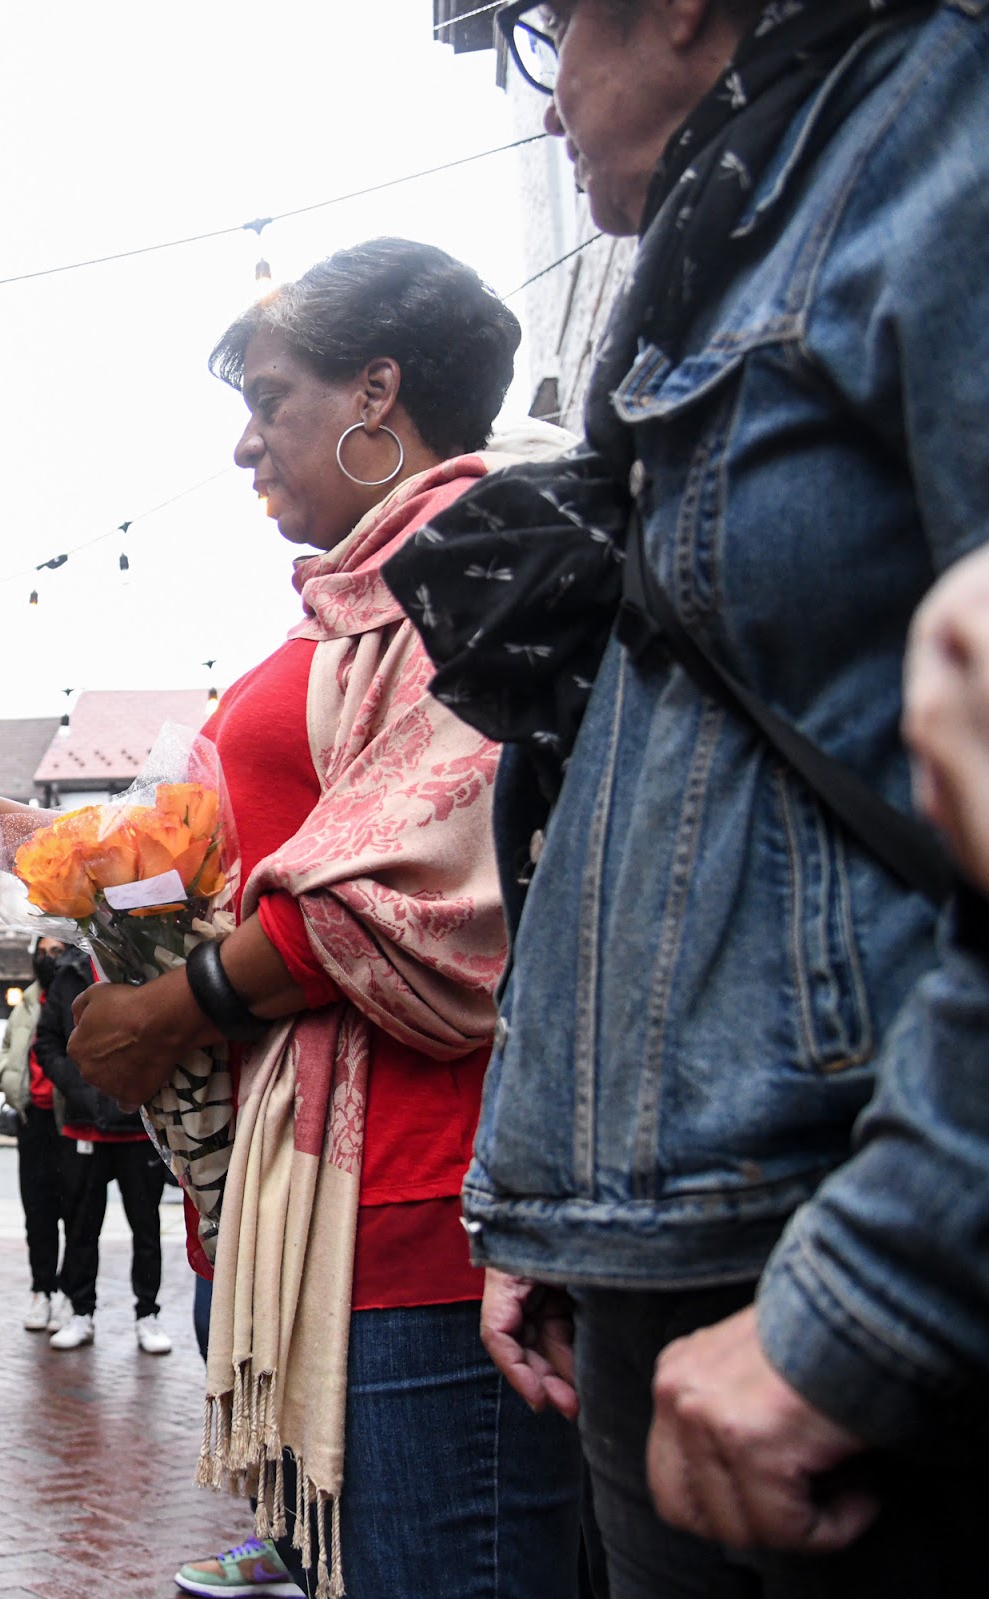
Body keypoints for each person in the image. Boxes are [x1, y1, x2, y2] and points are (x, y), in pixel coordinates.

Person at [0, 238, 583, 1599]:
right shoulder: (354, 599)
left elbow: (402, 883)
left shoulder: (469, 569)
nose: (244, 444)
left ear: (377, 392)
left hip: (422, 1198)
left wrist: (165, 1008)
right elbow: (172, 851)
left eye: (268, 396)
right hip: (318, 1210)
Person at [395, 4, 989, 1595]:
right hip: (672, 1249)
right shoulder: (728, 233)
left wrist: (872, 1295)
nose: (543, 110)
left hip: (828, 1258)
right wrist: (548, 1187)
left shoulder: (935, 128)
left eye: (545, 40)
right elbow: (656, 789)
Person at [32, 939, 173, 1355]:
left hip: (137, 1127)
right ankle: (81, 1311)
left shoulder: (142, 959)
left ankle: (148, 1314)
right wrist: (81, 1089)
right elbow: (47, 1042)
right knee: (80, 1227)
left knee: (146, 1228)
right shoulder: (69, 974)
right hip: (84, 1128)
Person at [0, 941, 77, 1333]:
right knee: (37, 1212)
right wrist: (4, 1079)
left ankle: (68, 1295)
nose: (48, 956)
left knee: (75, 1213)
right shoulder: (25, 1002)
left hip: (69, 1121)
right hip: (32, 1121)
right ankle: (41, 1290)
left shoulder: (76, 996)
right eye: (42, 950)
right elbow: (8, 1047)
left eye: (57, 949)